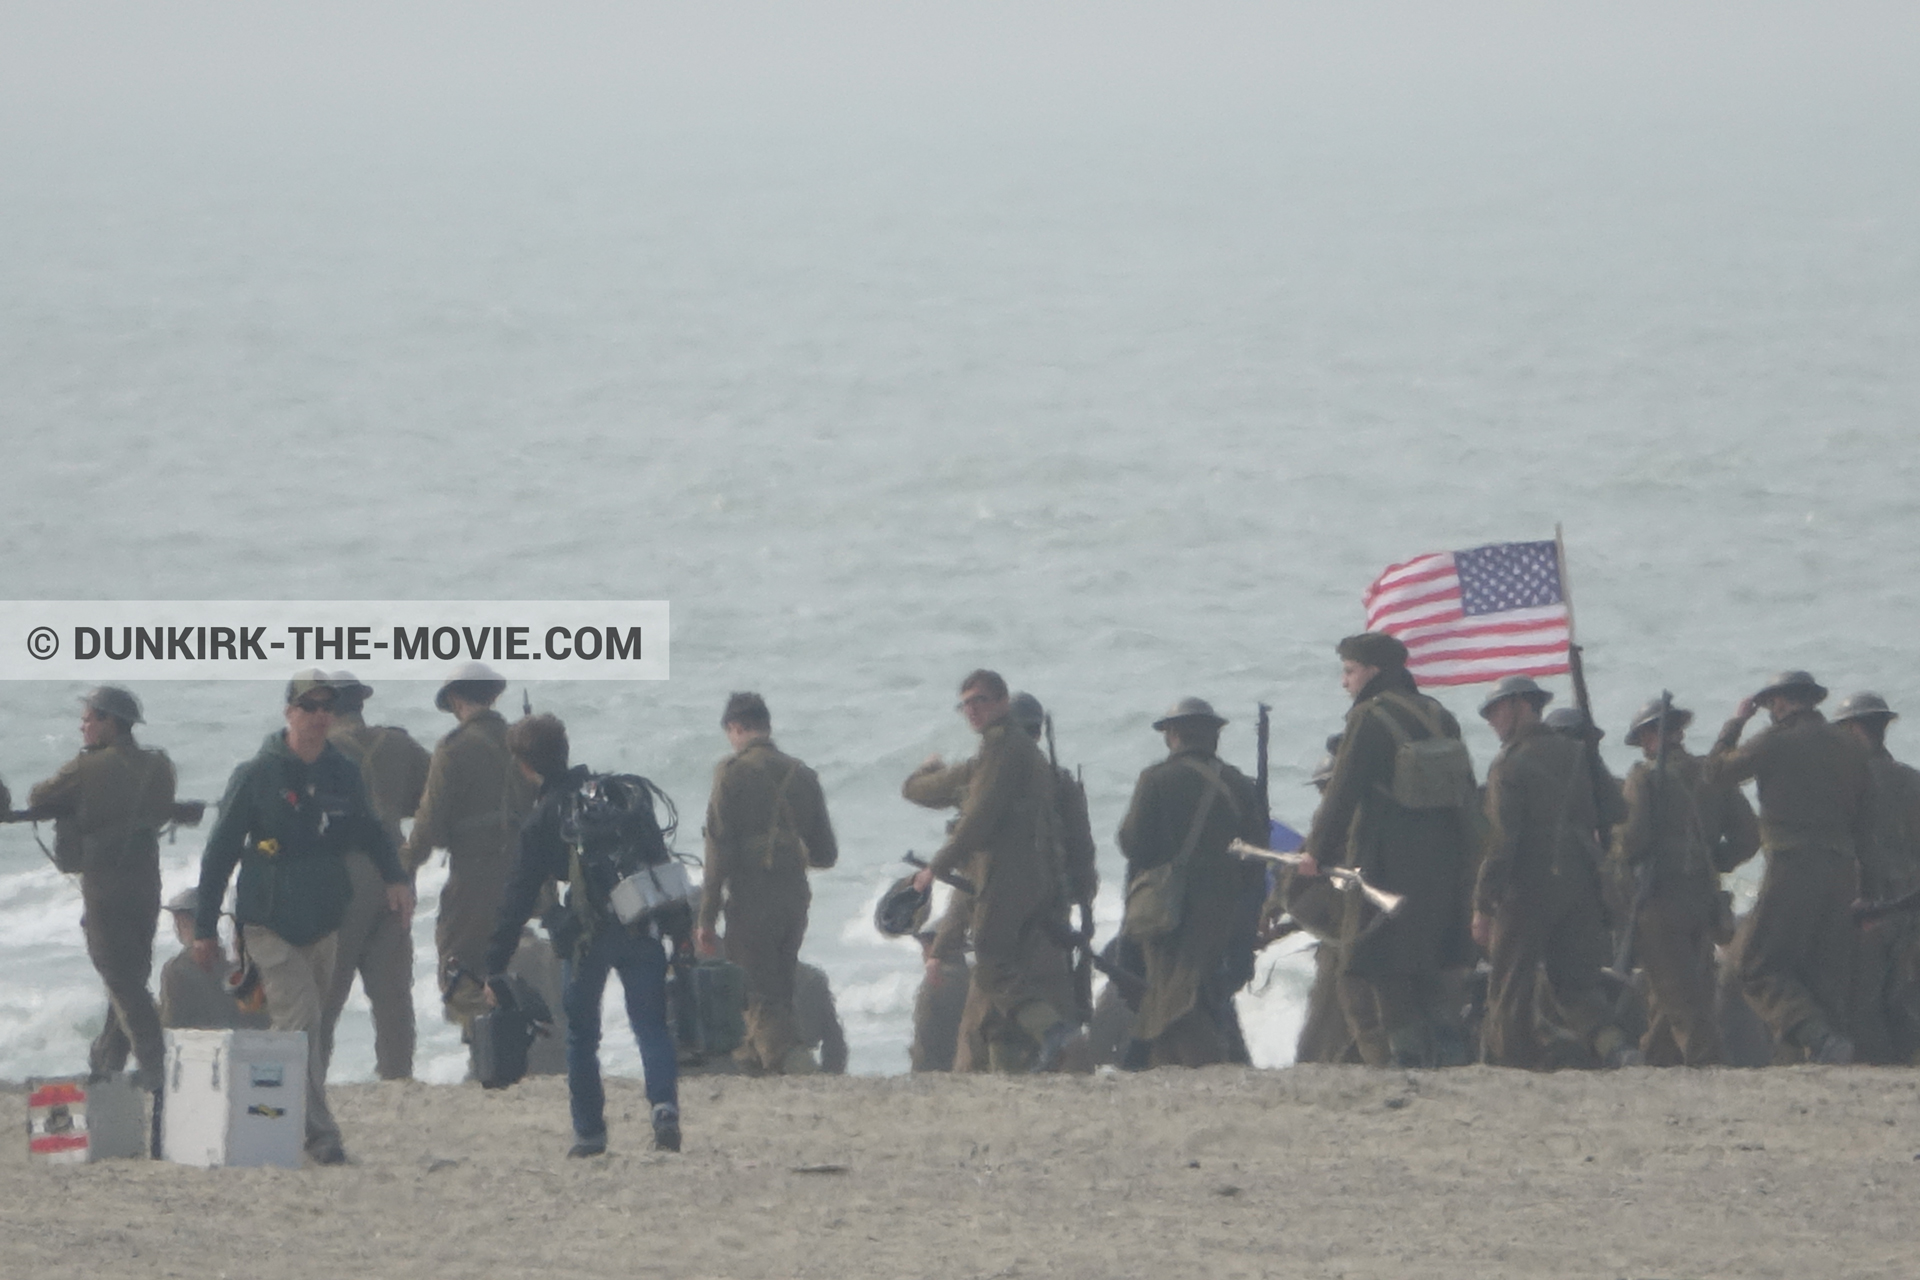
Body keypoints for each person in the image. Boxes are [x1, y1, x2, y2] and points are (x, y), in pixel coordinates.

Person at [194, 671, 413, 1165]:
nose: (317, 716)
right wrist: (205, 928)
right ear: (289, 712)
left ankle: (265, 1114)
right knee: (302, 1022)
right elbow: (219, 853)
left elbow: (371, 829)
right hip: (267, 920)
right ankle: (319, 1132)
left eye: (325, 708)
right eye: (308, 706)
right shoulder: (256, 775)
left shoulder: (344, 771)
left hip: (324, 917)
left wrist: (395, 877)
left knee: (298, 1031)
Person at [483, 713, 680, 1157]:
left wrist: (494, 964)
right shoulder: (619, 796)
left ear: (525, 766)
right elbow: (660, 862)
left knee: (582, 1035)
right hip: (638, 919)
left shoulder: (542, 818)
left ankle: (590, 1134)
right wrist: (678, 929)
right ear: (566, 749)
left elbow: (517, 896)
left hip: (586, 933)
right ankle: (664, 1108)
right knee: (651, 1025)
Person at [1290, 633, 1477, 1068]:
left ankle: (1409, 1056)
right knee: (1432, 961)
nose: (1344, 683)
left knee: (1381, 964)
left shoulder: (1369, 718)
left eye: (1349, 671)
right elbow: (1466, 794)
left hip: (1386, 863)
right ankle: (1450, 1051)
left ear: (1372, 672)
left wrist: (1314, 854)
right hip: (1445, 865)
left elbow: (1343, 792)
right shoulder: (1439, 715)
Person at [911, 670, 1077, 1072]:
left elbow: (979, 819)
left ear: (1001, 703)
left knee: (989, 964)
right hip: (1038, 889)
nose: (972, 710)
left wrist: (937, 866)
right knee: (1002, 985)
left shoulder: (1000, 749)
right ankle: (1019, 1061)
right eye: (966, 703)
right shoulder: (1029, 758)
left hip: (1006, 879)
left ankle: (1052, 1030)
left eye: (980, 700)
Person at [1471, 676, 1638, 1069]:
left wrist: (1483, 905)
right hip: (1582, 883)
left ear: (1520, 706)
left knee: (1511, 983)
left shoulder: (1508, 763)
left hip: (1526, 888)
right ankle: (1617, 1048)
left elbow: (1501, 843)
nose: (1492, 720)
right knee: (1576, 985)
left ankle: (1512, 1064)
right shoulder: (1579, 754)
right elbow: (1617, 811)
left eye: (1496, 710)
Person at [1710, 670, 1875, 1064]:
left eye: (1770, 704)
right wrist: (1868, 888)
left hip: (1792, 868)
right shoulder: (1850, 747)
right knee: (1822, 969)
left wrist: (1736, 722)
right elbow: (1868, 822)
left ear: (1782, 702)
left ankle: (1819, 1040)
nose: (1770, 711)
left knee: (1755, 965)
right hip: (1843, 871)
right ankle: (1825, 1052)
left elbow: (1717, 772)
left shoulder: (1775, 741)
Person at [30, 686, 186, 1089]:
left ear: (109, 723)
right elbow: (161, 807)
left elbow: (40, 796)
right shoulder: (158, 765)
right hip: (146, 880)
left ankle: (155, 1063)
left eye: (88, 718)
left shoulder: (87, 769)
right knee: (133, 970)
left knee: (118, 975)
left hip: (105, 884)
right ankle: (109, 1060)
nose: (82, 726)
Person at [1116, 697, 1266, 1067]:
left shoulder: (1156, 780)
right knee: (1193, 992)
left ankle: (1210, 1068)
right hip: (1225, 908)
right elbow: (1257, 854)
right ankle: (1166, 1067)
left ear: (1173, 735)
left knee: (1177, 998)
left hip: (1169, 910)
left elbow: (1133, 843)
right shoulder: (1239, 785)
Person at [694, 692, 839, 1075]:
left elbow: (717, 851)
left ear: (735, 728)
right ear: (767, 726)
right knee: (778, 991)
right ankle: (759, 1070)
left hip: (751, 900)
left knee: (757, 996)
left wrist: (706, 918)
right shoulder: (802, 774)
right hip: (794, 901)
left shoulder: (732, 772)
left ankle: (796, 1066)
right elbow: (826, 854)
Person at [405, 661, 533, 1029]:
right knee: (511, 957)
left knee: (458, 966)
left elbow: (429, 824)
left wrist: (403, 867)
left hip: (476, 875)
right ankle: (520, 1039)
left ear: (456, 699)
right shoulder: (522, 741)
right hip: (526, 870)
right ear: (493, 696)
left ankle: (486, 1044)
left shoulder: (453, 747)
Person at [1608, 697, 1732, 1066]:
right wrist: (1708, 862)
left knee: (1679, 996)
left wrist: (1613, 859)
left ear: (1648, 738)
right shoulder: (1711, 773)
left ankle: (1709, 1063)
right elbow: (1748, 835)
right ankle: (1655, 1064)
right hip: (1704, 895)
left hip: (1660, 897)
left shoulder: (1643, 777)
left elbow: (1632, 841)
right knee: (1674, 993)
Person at [319, 670, 429, 1079]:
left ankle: (315, 1075)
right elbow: (431, 801)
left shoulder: (319, 748)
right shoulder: (399, 744)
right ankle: (397, 1077)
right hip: (397, 872)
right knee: (393, 992)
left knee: (328, 989)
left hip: (342, 873)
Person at [1831, 692, 1920, 1063]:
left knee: (1864, 1001)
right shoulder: (1912, 780)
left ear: (1853, 729)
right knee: (1905, 996)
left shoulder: (1848, 785)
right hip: (1911, 905)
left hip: (1869, 904)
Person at [157, 887, 270, 1031]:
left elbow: (171, 1023)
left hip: (197, 1047)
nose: (178, 928)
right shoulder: (238, 968)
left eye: (182, 922)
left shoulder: (175, 969)